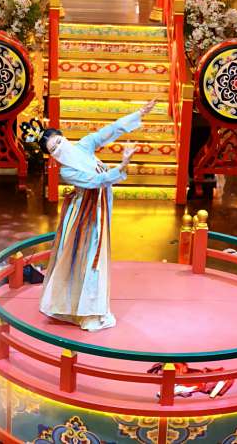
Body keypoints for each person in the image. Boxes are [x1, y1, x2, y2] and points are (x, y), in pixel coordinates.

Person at [21, 99, 156, 331]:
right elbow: (96, 181)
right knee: (89, 258)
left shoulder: (84, 146)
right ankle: (87, 311)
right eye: (53, 149)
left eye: (58, 142)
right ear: (51, 156)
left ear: (63, 137)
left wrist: (138, 114)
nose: (59, 148)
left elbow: (109, 131)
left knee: (94, 257)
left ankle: (88, 306)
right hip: (85, 214)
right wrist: (122, 166)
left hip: (98, 206)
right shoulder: (67, 171)